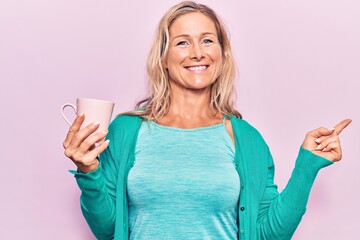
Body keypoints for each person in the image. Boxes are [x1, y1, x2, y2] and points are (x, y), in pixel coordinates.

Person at [62, 1, 351, 240]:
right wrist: (88, 171)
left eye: (207, 40)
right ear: (163, 57)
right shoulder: (126, 132)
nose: (197, 53)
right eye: (182, 42)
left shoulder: (246, 139)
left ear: (222, 54)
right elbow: (109, 231)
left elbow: (267, 235)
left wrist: (307, 165)